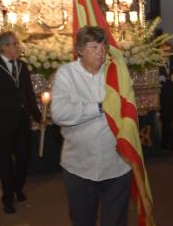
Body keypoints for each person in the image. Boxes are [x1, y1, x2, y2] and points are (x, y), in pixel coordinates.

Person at [51, 26, 132, 226]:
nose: (100, 52)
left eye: (103, 47)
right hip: (80, 167)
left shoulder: (117, 73)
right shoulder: (66, 74)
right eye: (94, 47)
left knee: (115, 221)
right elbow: (59, 113)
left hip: (117, 165)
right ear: (80, 50)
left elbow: (129, 108)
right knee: (82, 220)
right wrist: (98, 107)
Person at [0, 31, 42, 214]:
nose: (18, 46)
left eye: (17, 43)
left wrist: (38, 117)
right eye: (14, 43)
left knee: (23, 157)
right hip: (4, 122)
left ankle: (17, 186)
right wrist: (0, 106)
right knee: (5, 161)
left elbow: (29, 95)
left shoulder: (22, 66)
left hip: (22, 121)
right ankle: (7, 198)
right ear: (4, 47)